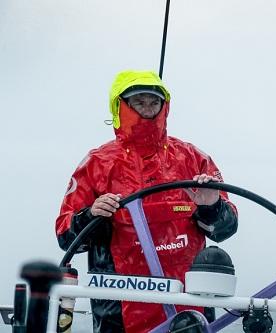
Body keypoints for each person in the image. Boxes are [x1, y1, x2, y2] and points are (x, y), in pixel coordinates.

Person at [55, 70, 238, 333]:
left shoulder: (193, 159)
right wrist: (91, 215)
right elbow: (65, 235)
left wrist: (211, 206)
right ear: (121, 106)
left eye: (154, 102)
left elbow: (226, 229)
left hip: (189, 308)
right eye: (139, 102)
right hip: (118, 309)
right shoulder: (97, 164)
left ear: (166, 106)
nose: (148, 110)